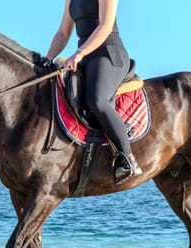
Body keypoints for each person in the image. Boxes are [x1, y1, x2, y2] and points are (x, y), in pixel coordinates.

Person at [45, 0, 142, 184]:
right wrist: (46, 59)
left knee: (97, 100)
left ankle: (128, 158)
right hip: (85, 57)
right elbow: (63, 33)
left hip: (109, 53)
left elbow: (105, 26)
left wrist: (79, 53)